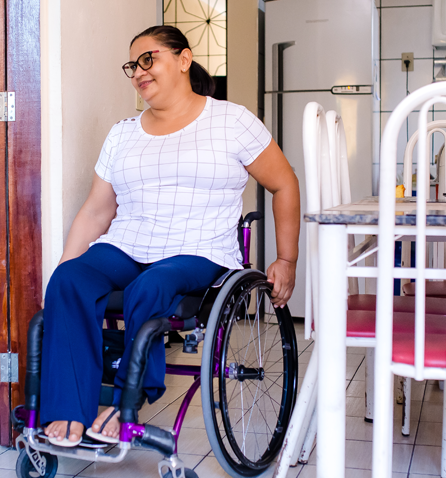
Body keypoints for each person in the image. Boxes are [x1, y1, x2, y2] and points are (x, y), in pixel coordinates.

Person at [41, 25, 300, 447]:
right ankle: (69, 410)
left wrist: (286, 259)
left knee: (152, 283)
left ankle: (129, 396)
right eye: (133, 65)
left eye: (149, 59)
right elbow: (97, 209)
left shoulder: (230, 121)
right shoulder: (123, 133)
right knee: (69, 280)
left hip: (199, 249)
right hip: (128, 244)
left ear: (183, 59)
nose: (139, 72)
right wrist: (63, 266)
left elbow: (284, 183)